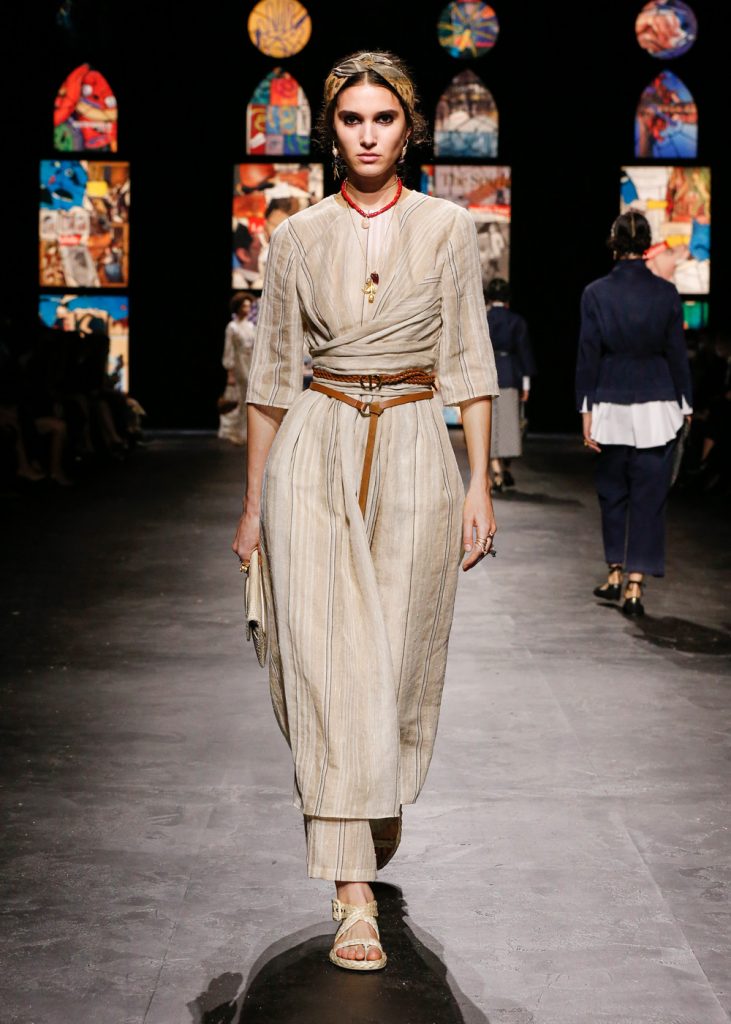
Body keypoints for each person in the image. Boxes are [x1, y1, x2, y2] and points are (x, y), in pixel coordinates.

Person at [232, 50, 499, 972]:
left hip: (417, 447)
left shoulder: (449, 227)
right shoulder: (298, 236)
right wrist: (253, 504)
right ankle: (351, 893)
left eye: (383, 118)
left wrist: (478, 483)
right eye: (351, 119)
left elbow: (468, 361)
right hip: (316, 445)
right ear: (331, 131)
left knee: (394, 660)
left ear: (409, 128)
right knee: (325, 666)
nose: (368, 134)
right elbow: (271, 377)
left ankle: (368, 800)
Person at [576, 211, 693, 616]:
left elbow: (588, 356)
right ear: (647, 244)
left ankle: (614, 571)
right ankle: (635, 585)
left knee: (613, 493)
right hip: (659, 404)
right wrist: (686, 403)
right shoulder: (666, 293)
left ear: (613, 243)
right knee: (649, 497)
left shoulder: (595, 293)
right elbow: (677, 354)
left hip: (610, 401)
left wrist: (585, 408)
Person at [485, 278, 536, 491]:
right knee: (509, 425)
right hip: (509, 374)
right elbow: (524, 352)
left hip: (488, 374)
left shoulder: (484, 319)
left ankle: (496, 470)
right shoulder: (516, 321)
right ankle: (505, 468)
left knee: (489, 425)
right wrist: (527, 384)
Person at [218, 292, 256, 445]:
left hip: (250, 361)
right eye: (244, 306)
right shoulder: (232, 327)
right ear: (238, 308)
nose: (247, 309)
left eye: (249, 306)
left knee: (249, 398)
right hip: (240, 364)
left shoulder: (251, 326)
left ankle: (246, 433)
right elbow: (229, 350)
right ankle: (238, 433)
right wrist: (230, 372)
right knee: (241, 398)